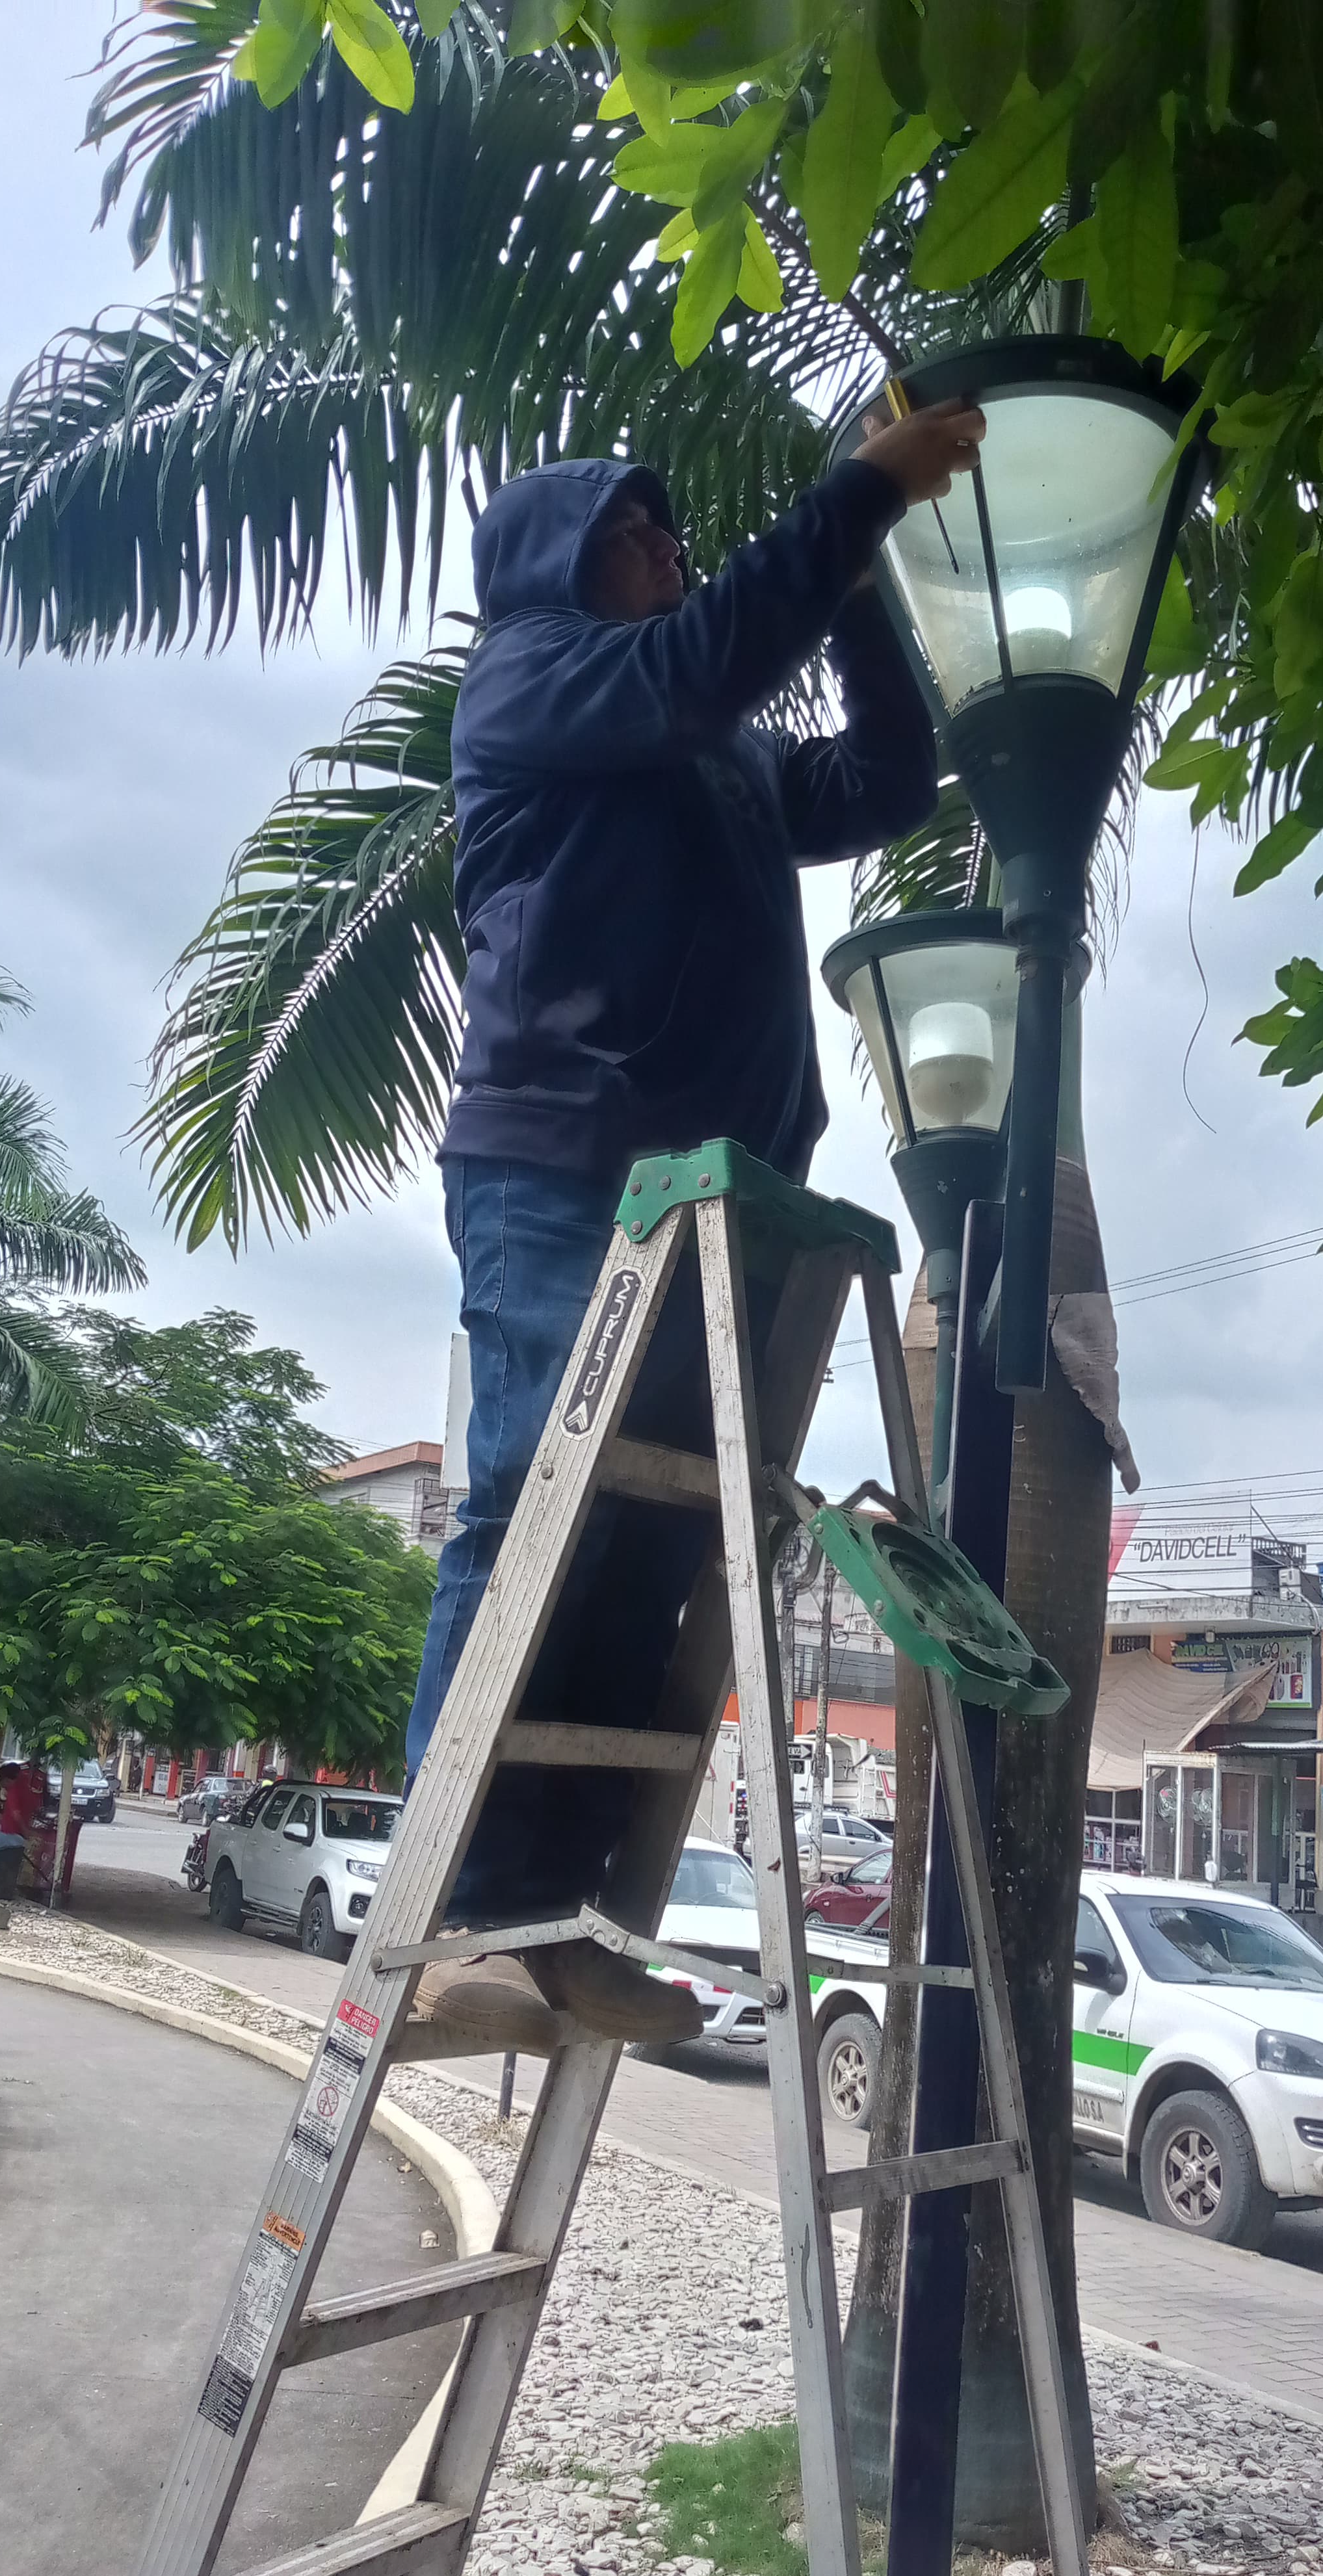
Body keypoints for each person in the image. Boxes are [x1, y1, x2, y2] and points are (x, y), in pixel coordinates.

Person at [400, 397, 981, 2050]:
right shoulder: (536, 677)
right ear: (556, 568)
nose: (668, 547)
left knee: (649, 1537)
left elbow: (883, 781)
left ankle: (556, 1918)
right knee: (532, 1502)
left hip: (708, 1201)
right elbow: (703, 661)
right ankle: (443, 1912)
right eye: (632, 531)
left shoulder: (711, 753)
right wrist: (859, 493)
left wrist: (855, 588)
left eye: (668, 527)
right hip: (562, 1166)